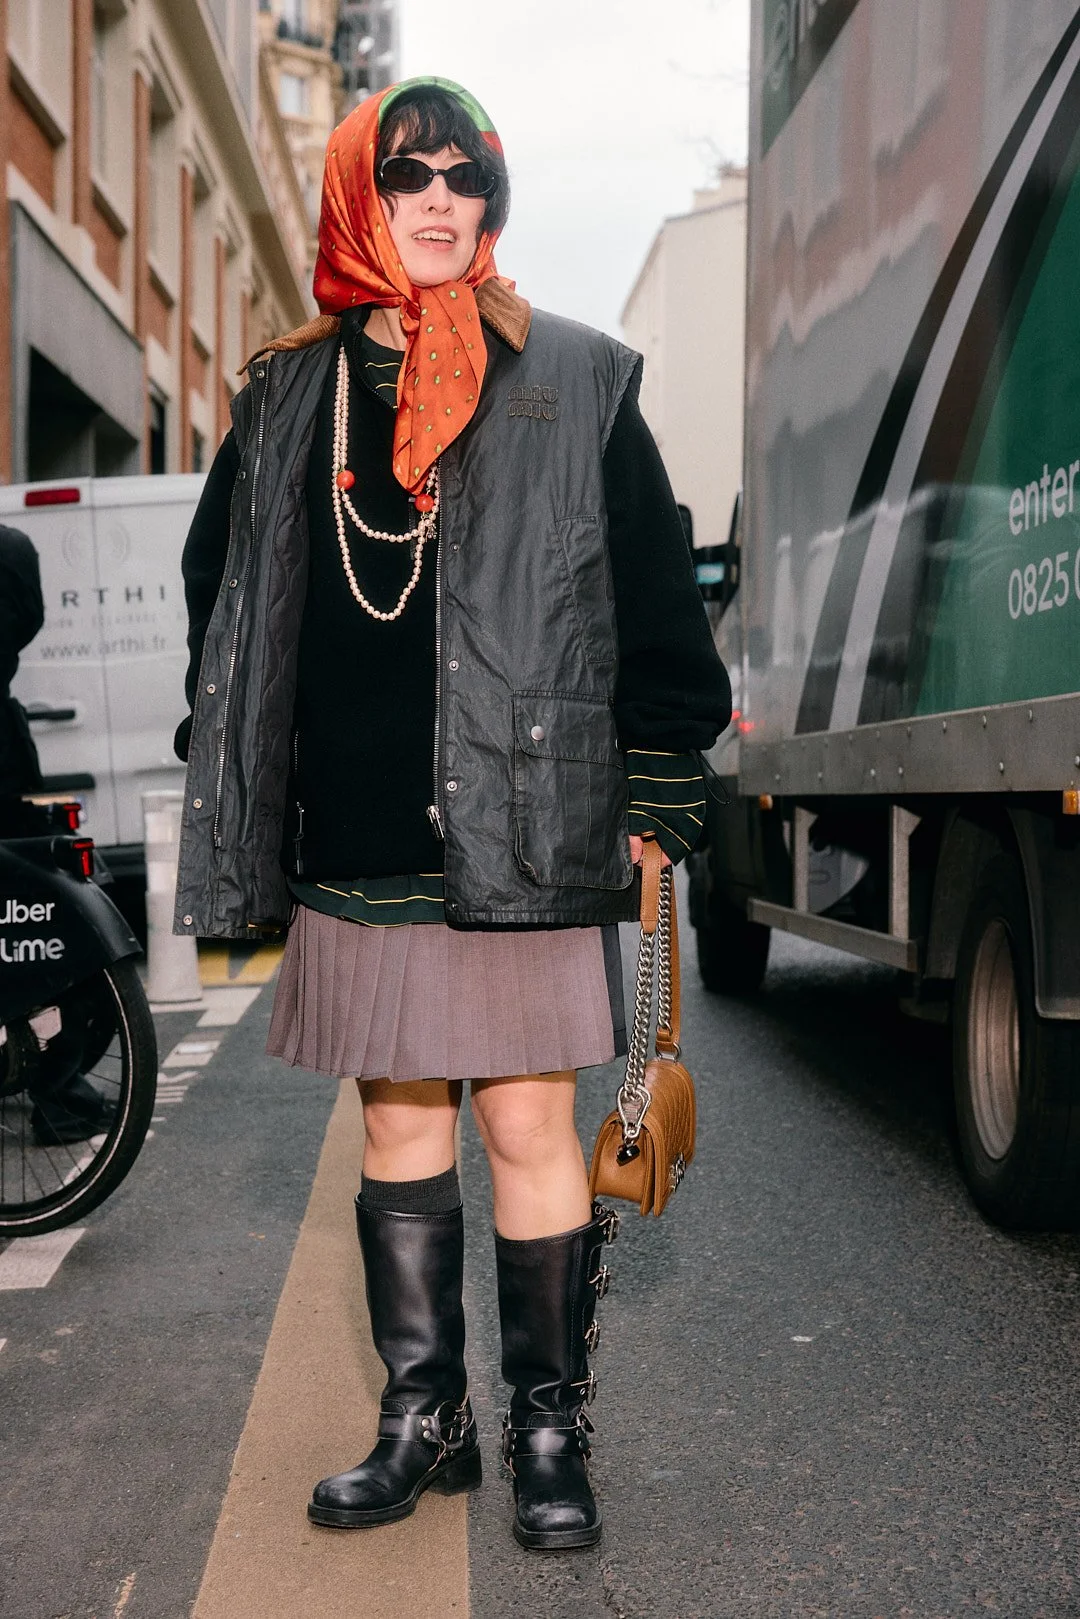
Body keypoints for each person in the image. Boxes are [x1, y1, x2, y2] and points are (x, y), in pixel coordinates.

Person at [173, 77, 730, 1552]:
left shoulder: (578, 377)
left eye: (463, 175)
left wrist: (665, 774)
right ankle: (430, 1419)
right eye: (405, 173)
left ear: (492, 198)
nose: (435, 198)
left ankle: (548, 1428)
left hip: (526, 820)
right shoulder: (287, 390)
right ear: (360, 194)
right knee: (400, 1124)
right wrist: (235, 751)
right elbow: (220, 594)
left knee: (532, 1120)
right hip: (357, 828)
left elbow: (656, 595)